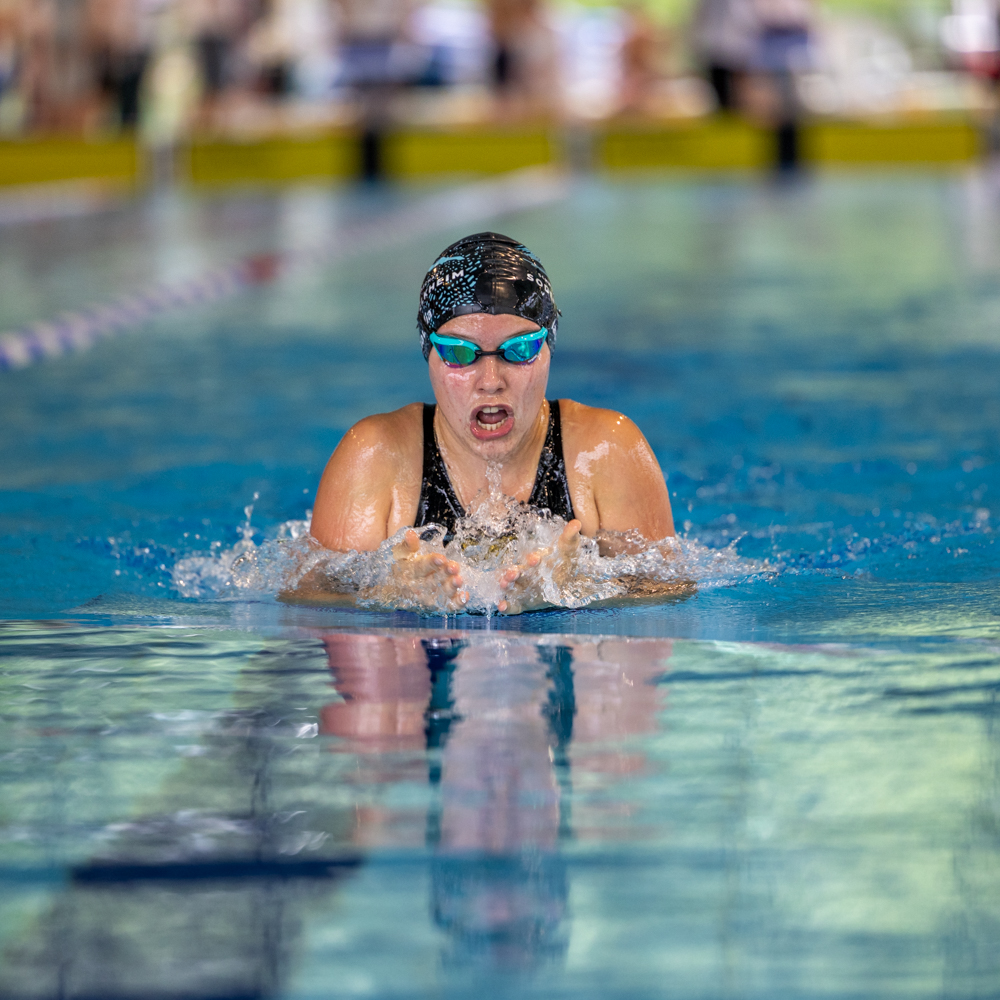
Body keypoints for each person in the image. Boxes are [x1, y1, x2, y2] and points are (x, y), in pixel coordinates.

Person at [306, 231, 675, 614]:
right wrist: (390, 595)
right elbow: (313, 604)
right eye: (459, 353)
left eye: (519, 349)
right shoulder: (374, 457)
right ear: (428, 353)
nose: (491, 380)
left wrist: (575, 590)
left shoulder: (606, 451)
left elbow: (668, 596)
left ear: (549, 347)